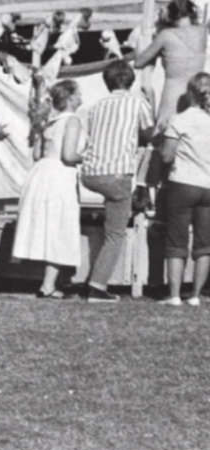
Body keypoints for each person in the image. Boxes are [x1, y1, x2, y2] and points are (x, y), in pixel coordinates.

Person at [76, 60, 154, 302]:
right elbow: (149, 133)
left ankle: (94, 278)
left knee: (108, 224)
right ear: (130, 80)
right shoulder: (137, 103)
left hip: (90, 173)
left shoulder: (96, 106)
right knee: (115, 233)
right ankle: (98, 286)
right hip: (117, 174)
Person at [12, 80, 85, 298]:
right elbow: (69, 155)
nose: (82, 98)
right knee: (60, 226)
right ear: (71, 98)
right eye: (79, 94)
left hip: (41, 173)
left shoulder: (48, 122)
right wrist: (90, 157)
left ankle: (49, 282)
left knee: (49, 225)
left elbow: (37, 154)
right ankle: (48, 284)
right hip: (60, 175)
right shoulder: (72, 121)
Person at [157, 72, 210, 305]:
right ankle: (196, 295)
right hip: (208, 185)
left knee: (176, 241)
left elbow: (167, 156)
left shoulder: (180, 120)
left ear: (190, 93)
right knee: (204, 243)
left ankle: (175, 294)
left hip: (183, 183)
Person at [133, 0, 206, 132]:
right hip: (196, 91)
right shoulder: (202, 33)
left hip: (172, 94)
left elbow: (139, 62)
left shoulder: (165, 36)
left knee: (166, 133)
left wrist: (159, 28)